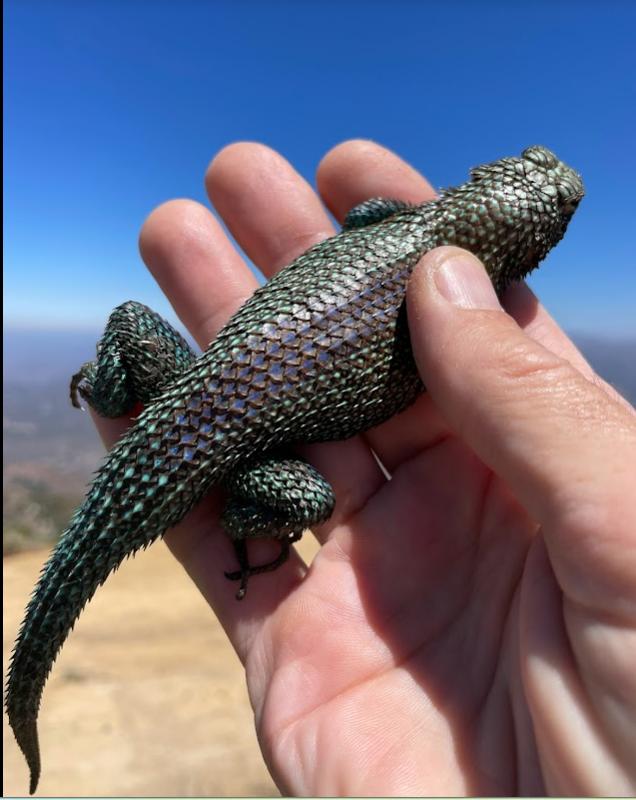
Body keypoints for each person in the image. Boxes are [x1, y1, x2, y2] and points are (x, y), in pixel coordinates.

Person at [93, 140, 636, 795]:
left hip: (194, 404)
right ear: (532, 252)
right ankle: (236, 520)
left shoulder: (399, 217)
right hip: (236, 451)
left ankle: (110, 390)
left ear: (481, 180)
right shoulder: (470, 295)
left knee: (129, 320)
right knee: (312, 500)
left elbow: (359, 217)